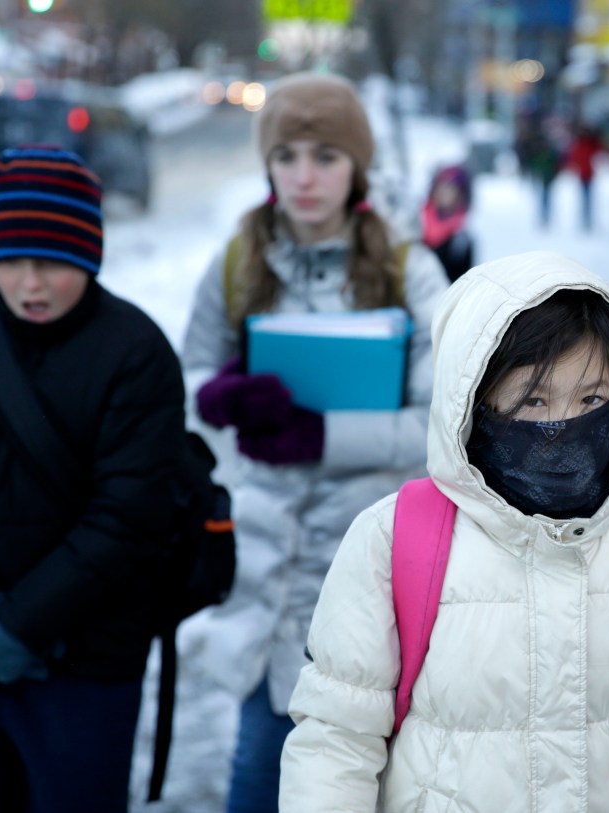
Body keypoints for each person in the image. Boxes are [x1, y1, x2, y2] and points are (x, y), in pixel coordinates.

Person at [279, 250, 609, 812]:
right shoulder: (394, 537)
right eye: (534, 400)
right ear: (474, 403)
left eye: (592, 399)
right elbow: (337, 742)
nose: (565, 427)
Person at [178, 72, 449, 813]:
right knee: (259, 766)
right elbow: (191, 373)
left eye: (326, 156)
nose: (304, 176)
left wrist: (321, 433)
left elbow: (444, 420)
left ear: (356, 166)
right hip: (263, 571)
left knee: (370, 771)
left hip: (373, 568)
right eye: (287, 154)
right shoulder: (237, 262)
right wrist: (216, 395)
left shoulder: (406, 268)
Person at [0, 147, 185, 812]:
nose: (31, 283)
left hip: (85, 666)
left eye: (53, 262)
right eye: (11, 260)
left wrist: (22, 624)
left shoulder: (136, 352)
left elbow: (128, 515)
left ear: (91, 255)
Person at [420, 163, 474, 282]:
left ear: (460, 195)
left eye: (450, 187)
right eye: (441, 185)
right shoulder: (416, 224)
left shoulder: (461, 241)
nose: (443, 191)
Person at [562, 123, 609, 231]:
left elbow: (604, 148)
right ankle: (586, 219)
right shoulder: (581, 143)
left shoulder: (589, 143)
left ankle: (587, 219)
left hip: (588, 174)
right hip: (583, 174)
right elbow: (572, 157)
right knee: (585, 197)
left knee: (587, 197)